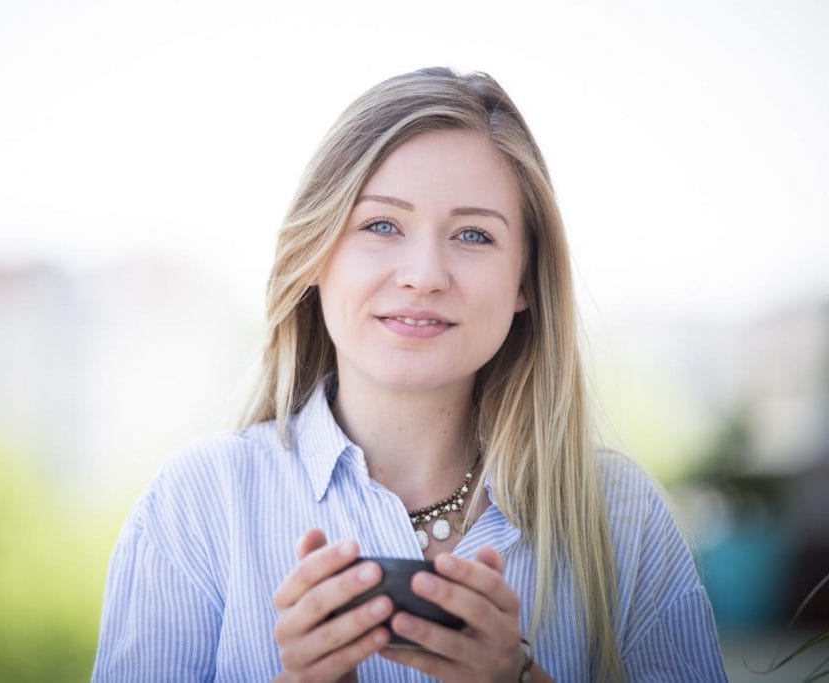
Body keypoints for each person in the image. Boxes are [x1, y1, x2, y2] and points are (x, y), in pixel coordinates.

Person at [91, 67, 728, 682]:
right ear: (315, 254)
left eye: (474, 236)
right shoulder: (198, 504)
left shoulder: (621, 520)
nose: (424, 274)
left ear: (525, 284)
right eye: (381, 225)